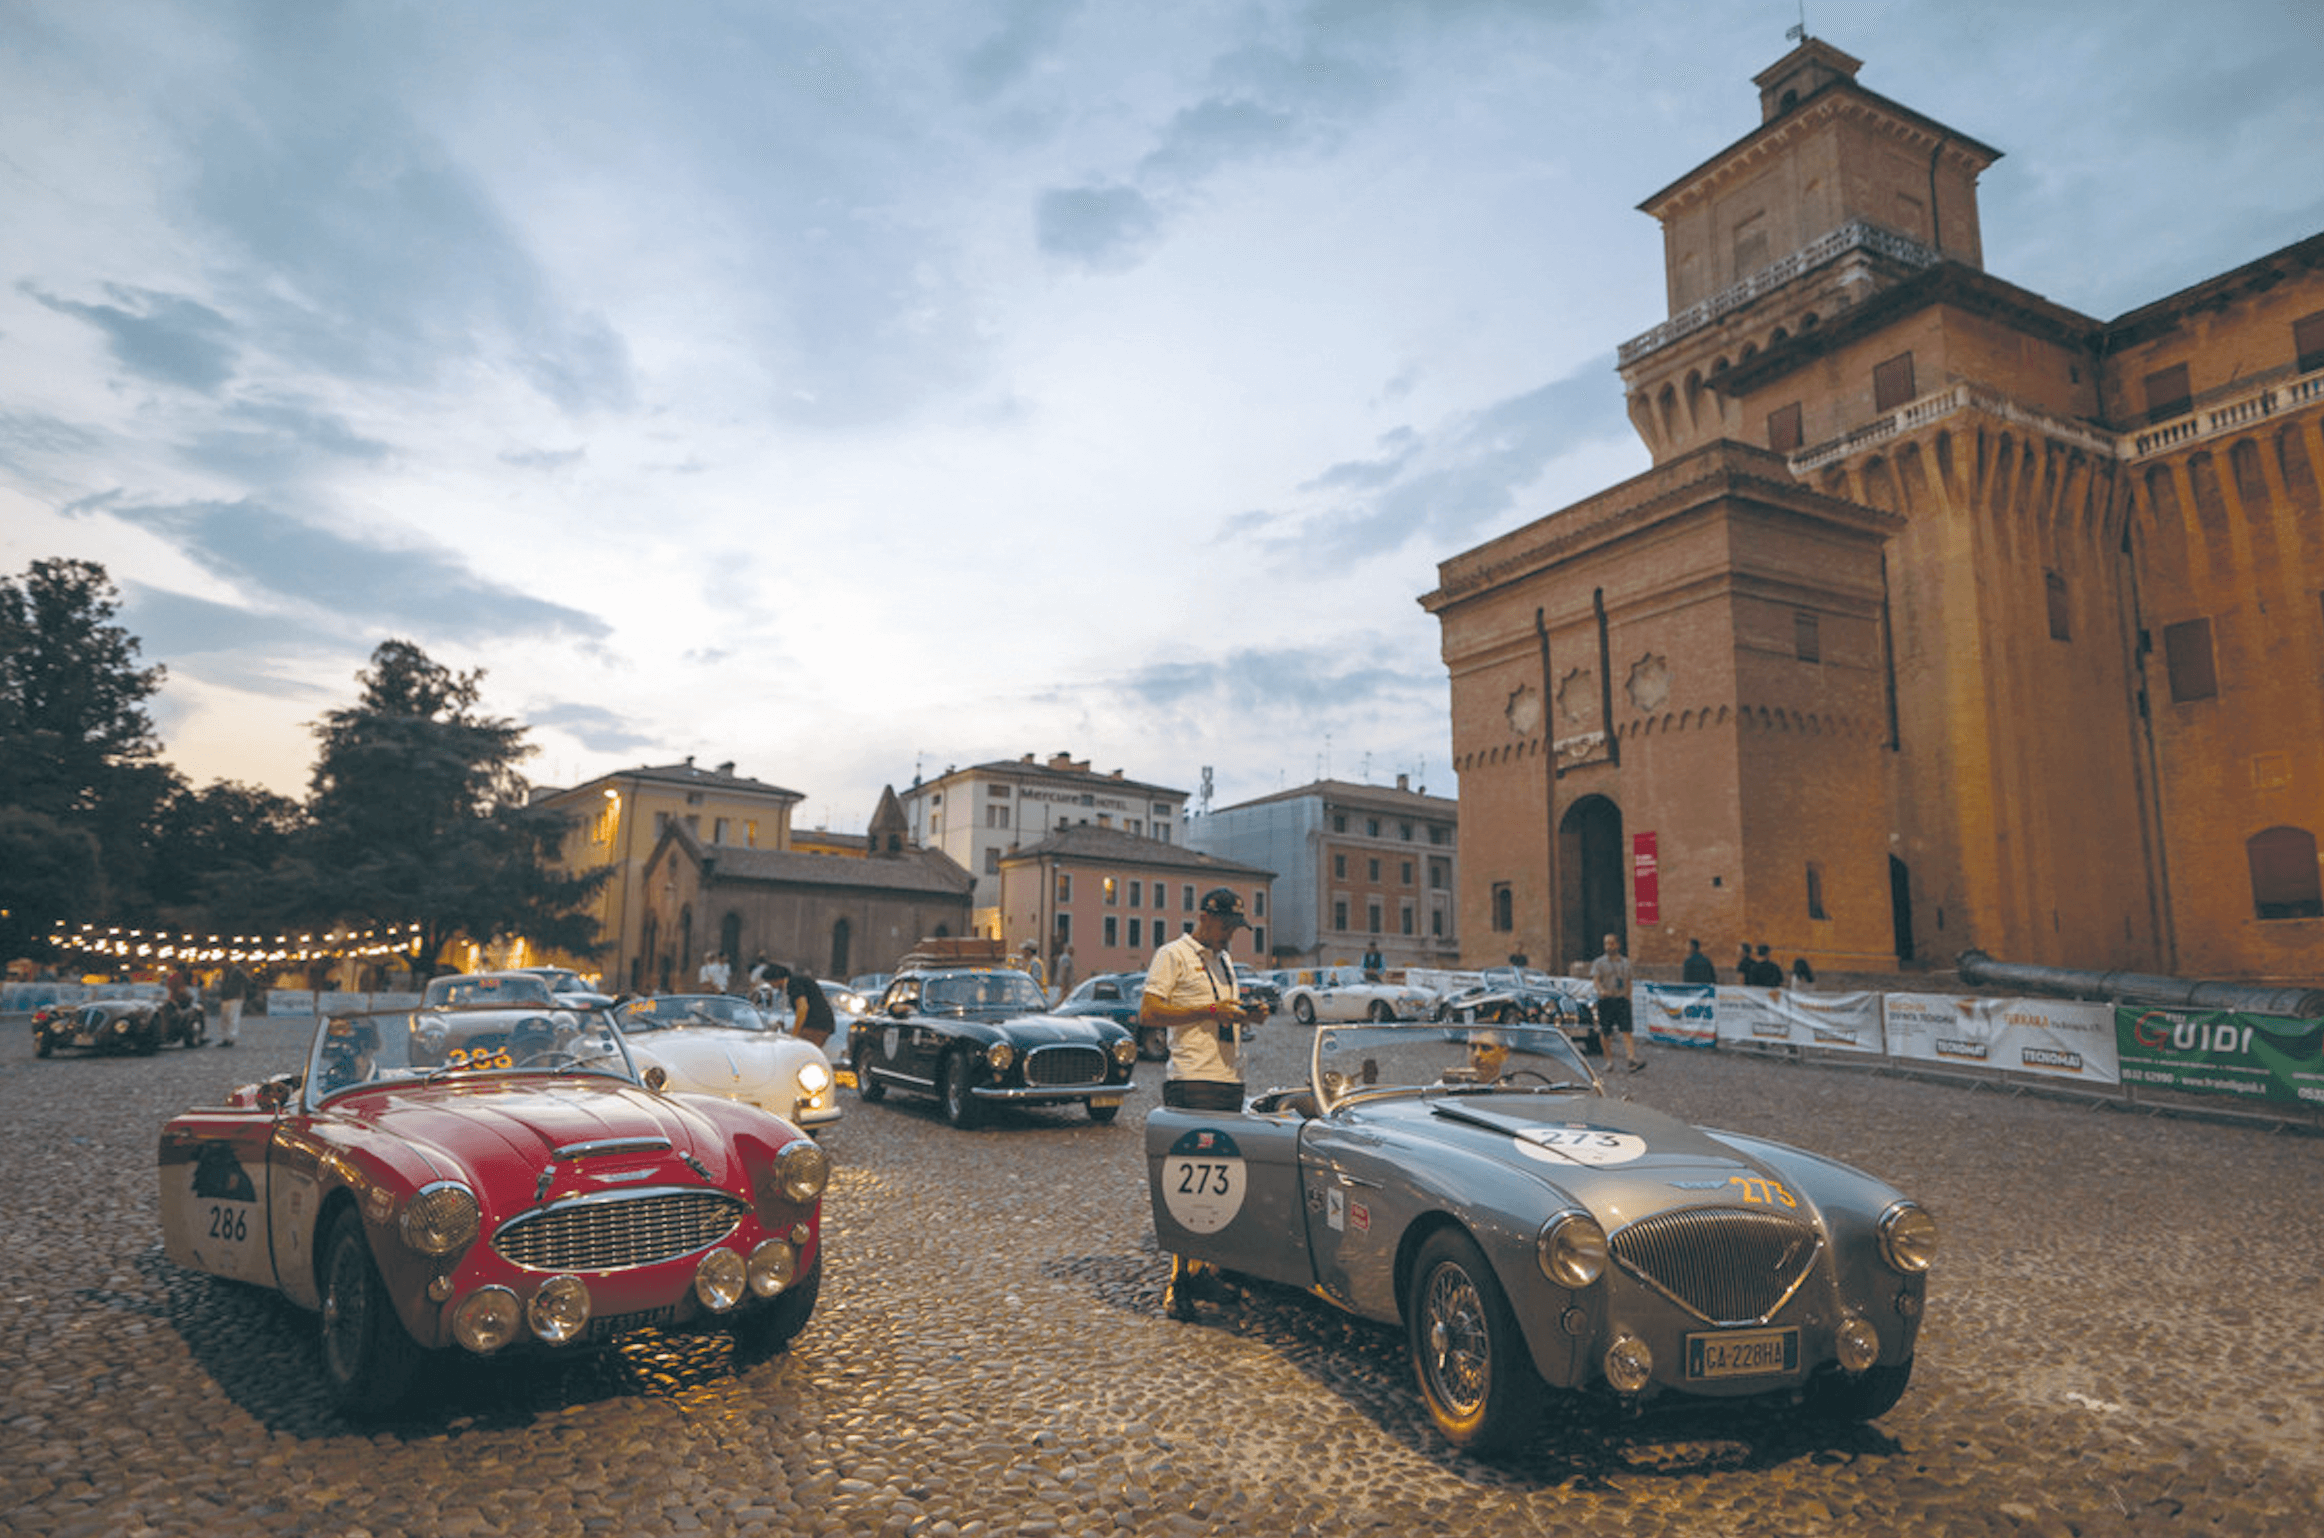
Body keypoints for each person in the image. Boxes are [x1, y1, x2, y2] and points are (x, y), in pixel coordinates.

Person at [1142, 888, 1265, 1319]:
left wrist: (1248, 1015)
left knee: (1222, 1184)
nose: (1232, 934)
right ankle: (1179, 1281)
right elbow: (1149, 1012)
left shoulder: (1224, 960)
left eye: (1236, 927)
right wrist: (1209, 1011)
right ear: (1206, 918)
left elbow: (1220, 1009)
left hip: (1229, 1079)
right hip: (1192, 1080)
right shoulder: (1172, 954)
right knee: (1187, 1185)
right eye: (1227, 925)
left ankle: (1205, 1270)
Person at [1589, 932, 1642, 1073]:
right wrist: (1601, 990)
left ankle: (1631, 1059)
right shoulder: (1599, 963)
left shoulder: (1625, 963)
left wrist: (1628, 998)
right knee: (1606, 1033)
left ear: (1617, 945)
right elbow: (1596, 980)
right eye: (1606, 943)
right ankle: (1609, 1061)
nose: (1608, 946)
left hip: (1621, 1000)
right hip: (1606, 1001)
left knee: (1627, 1030)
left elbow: (1628, 982)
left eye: (1611, 943)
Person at [760, 963, 835, 1049]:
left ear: (776, 979)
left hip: (816, 1025)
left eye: (770, 983)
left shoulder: (793, 983)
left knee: (798, 1051)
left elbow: (802, 1007)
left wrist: (794, 1034)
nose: (773, 987)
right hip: (821, 1023)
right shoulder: (796, 980)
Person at [216, 960, 250, 1048]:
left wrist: (241, 991)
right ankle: (225, 1038)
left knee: (233, 1018)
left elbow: (246, 981)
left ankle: (231, 1038)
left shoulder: (237, 970)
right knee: (225, 1019)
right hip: (226, 997)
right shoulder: (224, 972)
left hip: (235, 997)